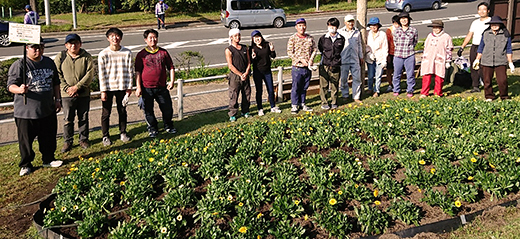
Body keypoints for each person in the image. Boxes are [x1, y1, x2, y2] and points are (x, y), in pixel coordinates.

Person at [7, 40, 63, 176]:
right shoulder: (20, 65)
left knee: (48, 137)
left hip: (47, 108)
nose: (38, 50)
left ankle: (48, 159)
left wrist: (58, 99)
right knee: (26, 140)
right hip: (26, 111)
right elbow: (10, 86)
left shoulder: (49, 62)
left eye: (41, 47)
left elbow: (56, 83)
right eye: (34, 48)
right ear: (27, 48)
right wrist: (19, 89)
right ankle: (26, 164)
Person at [55, 34, 94, 152]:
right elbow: (57, 74)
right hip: (66, 95)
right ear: (66, 45)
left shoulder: (86, 56)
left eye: (76, 43)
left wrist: (77, 87)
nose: (73, 45)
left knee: (83, 117)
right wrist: (67, 88)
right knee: (68, 118)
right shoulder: (61, 57)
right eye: (70, 43)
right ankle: (68, 141)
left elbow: (90, 73)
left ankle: (83, 139)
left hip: (83, 93)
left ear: (80, 44)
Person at [135, 29, 176, 138]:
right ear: (145, 40)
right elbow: (138, 71)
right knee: (148, 110)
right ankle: (152, 128)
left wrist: (172, 81)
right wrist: (138, 87)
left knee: (167, 108)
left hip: (162, 87)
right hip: (146, 88)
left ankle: (168, 125)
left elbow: (171, 67)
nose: (153, 40)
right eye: (150, 38)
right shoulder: (141, 55)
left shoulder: (163, 52)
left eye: (155, 37)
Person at [98, 28, 133, 146]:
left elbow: (130, 70)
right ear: (108, 38)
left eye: (117, 36)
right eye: (112, 36)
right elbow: (101, 74)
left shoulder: (127, 52)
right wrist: (103, 91)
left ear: (121, 38)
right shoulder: (103, 54)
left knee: (122, 111)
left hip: (122, 87)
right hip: (108, 88)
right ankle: (105, 136)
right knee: (106, 113)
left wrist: (129, 87)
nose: (115, 38)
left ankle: (123, 132)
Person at [473, 16, 514, 101]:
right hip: (486, 60)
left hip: (501, 60)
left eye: (496, 24)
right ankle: (489, 96)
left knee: (502, 80)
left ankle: (504, 96)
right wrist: (477, 59)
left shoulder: (506, 35)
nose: (494, 26)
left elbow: (509, 49)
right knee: (487, 81)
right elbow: (481, 47)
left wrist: (510, 62)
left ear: (500, 25)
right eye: (492, 24)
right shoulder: (485, 33)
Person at [458, 2, 491, 93]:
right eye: (480, 9)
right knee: (474, 67)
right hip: (475, 46)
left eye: (484, 9)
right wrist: (462, 47)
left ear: (488, 11)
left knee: (484, 67)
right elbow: (469, 35)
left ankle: (487, 85)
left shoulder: (491, 21)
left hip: (486, 47)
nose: (481, 11)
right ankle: (475, 86)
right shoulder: (475, 22)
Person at [287, 18, 317, 114]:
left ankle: (302, 103)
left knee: (305, 87)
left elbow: (314, 49)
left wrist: (311, 59)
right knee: (296, 87)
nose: (302, 27)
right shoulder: (293, 38)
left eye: (303, 25)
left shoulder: (310, 38)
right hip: (297, 68)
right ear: (296, 27)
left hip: (307, 68)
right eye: (299, 25)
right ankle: (294, 105)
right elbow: (289, 52)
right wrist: (300, 59)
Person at [250, 30, 281, 116]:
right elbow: (251, 62)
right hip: (257, 72)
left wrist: (272, 50)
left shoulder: (267, 45)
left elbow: (273, 56)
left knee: (271, 90)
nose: (257, 39)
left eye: (258, 37)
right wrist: (253, 58)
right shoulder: (252, 49)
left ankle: (273, 106)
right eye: (255, 38)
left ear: (261, 37)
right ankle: (260, 109)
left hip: (267, 71)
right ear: (252, 39)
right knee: (259, 91)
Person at [420, 20, 453, 98]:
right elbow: (425, 47)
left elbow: (449, 50)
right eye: (434, 27)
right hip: (429, 58)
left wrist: (448, 61)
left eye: (437, 27)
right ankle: (424, 92)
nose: (436, 29)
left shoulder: (446, 37)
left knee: (439, 76)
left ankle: (438, 93)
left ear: (441, 28)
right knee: (426, 76)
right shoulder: (429, 36)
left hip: (440, 59)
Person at [317, 17, 345, 109]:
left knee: (335, 85)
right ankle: (324, 102)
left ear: (337, 27)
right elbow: (321, 49)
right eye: (330, 26)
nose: (331, 28)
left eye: (333, 26)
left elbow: (340, 50)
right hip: (325, 64)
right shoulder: (323, 38)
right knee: (323, 85)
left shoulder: (341, 39)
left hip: (336, 64)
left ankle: (334, 102)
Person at [225, 28, 251, 122]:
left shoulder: (245, 48)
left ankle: (245, 111)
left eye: (239, 35)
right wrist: (240, 74)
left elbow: (249, 61)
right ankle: (232, 114)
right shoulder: (229, 50)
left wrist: (246, 72)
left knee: (246, 94)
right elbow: (230, 65)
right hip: (235, 76)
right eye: (235, 36)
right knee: (234, 95)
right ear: (231, 37)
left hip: (245, 74)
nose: (238, 37)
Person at [338, 14, 364, 103]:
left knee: (357, 78)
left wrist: (361, 56)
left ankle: (356, 96)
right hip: (344, 58)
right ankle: (345, 95)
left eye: (352, 21)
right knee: (343, 79)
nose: (350, 23)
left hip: (355, 58)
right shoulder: (340, 32)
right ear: (345, 22)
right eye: (349, 21)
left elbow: (360, 45)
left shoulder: (357, 32)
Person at [392, 12, 418, 97]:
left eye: (405, 18)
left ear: (408, 20)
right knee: (396, 74)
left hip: (409, 54)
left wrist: (410, 48)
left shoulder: (413, 30)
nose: (403, 20)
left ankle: (410, 90)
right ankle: (396, 89)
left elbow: (415, 42)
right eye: (401, 19)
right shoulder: (396, 31)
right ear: (399, 20)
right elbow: (395, 42)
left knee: (410, 74)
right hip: (398, 55)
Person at [365, 17, 388, 98]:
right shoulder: (367, 34)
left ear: (378, 26)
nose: (373, 27)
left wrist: (384, 60)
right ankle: (370, 88)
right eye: (371, 25)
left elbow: (385, 47)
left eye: (375, 25)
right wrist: (368, 53)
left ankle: (376, 90)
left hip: (380, 57)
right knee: (370, 75)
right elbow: (365, 45)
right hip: (370, 57)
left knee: (378, 75)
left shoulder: (382, 34)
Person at [385, 15, 400, 93]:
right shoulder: (389, 30)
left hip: (400, 52)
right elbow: (387, 42)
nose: (396, 25)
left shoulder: (402, 29)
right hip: (391, 52)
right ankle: (390, 84)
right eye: (395, 23)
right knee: (389, 69)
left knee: (398, 69)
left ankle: (397, 84)